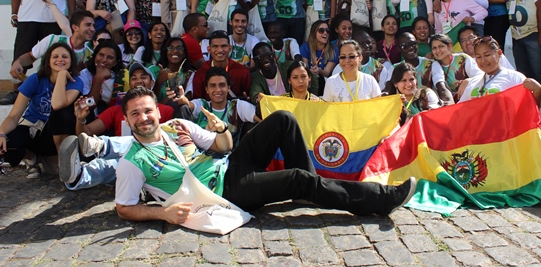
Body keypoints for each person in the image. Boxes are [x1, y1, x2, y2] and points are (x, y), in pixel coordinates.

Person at [113, 87, 417, 220]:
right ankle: (378, 199)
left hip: (230, 165)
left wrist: (220, 131)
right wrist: (162, 214)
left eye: (147, 111)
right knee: (297, 178)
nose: (144, 118)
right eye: (135, 114)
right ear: (127, 119)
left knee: (283, 119)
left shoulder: (174, 125)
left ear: (156, 111)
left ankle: (310, 189)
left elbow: (225, 148)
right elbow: (124, 208)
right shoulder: (131, 163)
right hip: (224, 192)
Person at [59, 62, 174, 189]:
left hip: (154, 161)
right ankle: (78, 177)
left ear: (152, 83)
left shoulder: (166, 110)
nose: (138, 81)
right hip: (123, 162)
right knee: (108, 165)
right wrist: (80, 119)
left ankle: (101, 146)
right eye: (134, 78)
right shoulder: (116, 111)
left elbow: (171, 141)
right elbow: (86, 133)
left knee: (136, 145)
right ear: (130, 84)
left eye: (143, 77)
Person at [4, 0, 77, 105]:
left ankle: (49, 89)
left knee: (50, 57)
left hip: (53, 20)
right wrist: (14, 14)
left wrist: (72, 16)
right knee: (22, 54)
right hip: (28, 18)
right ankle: (18, 91)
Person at [0, 43, 83, 177]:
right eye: (55, 56)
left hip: (55, 134)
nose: (60, 59)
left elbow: (57, 104)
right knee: (7, 143)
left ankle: (64, 162)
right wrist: (1, 133)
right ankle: (32, 159)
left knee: (60, 113)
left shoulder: (76, 81)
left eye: (65, 57)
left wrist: (62, 76)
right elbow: (14, 116)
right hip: (33, 128)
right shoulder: (36, 79)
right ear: (48, 61)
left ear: (71, 61)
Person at [169, 67, 257, 147]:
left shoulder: (237, 106)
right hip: (199, 158)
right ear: (207, 89)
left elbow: (261, 120)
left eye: (222, 85)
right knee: (182, 108)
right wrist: (182, 99)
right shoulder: (202, 104)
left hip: (229, 158)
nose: (218, 90)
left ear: (228, 88)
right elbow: (188, 105)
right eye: (212, 86)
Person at [11, 9, 95, 79]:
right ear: (75, 27)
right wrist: (18, 62)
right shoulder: (53, 40)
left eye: (93, 25)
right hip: (46, 89)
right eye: (88, 25)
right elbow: (31, 56)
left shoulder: (91, 52)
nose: (92, 29)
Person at [458, 36, 541, 105]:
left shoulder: (514, 78)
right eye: (479, 57)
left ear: (499, 53)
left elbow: (529, 110)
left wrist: (537, 91)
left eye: (487, 55)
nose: (483, 60)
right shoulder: (473, 82)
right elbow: (460, 111)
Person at [192, 30, 251, 101]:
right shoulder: (201, 74)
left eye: (223, 46)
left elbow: (248, 97)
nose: (220, 50)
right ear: (209, 49)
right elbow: (197, 102)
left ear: (230, 48)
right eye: (215, 46)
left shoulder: (242, 72)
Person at [428, 34, 481, 104]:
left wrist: (468, 80)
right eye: (434, 48)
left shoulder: (462, 58)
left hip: (470, 98)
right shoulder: (433, 66)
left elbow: (480, 75)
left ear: (449, 46)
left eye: (441, 46)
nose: (438, 51)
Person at [80, 40, 129, 114]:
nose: (104, 60)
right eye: (101, 55)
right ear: (95, 55)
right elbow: (87, 107)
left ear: (115, 62)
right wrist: (98, 79)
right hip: (89, 117)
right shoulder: (85, 74)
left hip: (115, 116)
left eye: (110, 58)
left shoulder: (122, 76)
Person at [300, 20, 338, 95]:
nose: (325, 33)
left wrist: (319, 71)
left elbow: (327, 73)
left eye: (327, 31)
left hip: (324, 82)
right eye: (321, 30)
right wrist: (310, 71)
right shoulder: (305, 47)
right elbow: (304, 68)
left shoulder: (333, 49)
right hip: (308, 80)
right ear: (314, 33)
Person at [154, 37, 196, 104]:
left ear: (184, 53)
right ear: (165, 52)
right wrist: (159, 82)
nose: (175, 51)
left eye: (179, 48)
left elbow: (188, 99)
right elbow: (147, 97)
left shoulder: (190, 74)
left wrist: (169, 100)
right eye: (171, 48)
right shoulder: (154, 70)